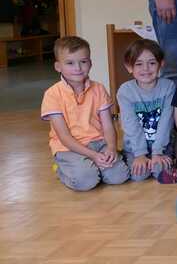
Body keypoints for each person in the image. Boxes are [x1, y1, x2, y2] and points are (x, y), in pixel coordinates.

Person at [41, 36, 129, 191]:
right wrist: (93, 156)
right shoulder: (52, 94)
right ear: (58, 66)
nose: (78, 68)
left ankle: (94, 166)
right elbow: (64, 137)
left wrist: (110, 147)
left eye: (83, 61)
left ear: (90, 63)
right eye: (70, 63)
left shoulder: (98, 89)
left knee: (119, 176)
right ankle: (63, 169)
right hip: (68, 148)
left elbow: (108, 126)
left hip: (99, 143)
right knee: (86, 181)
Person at [117, 39, 176, 182]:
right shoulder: (125, 91)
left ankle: (168, 158)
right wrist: (140, 154)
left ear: (161, 64)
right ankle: (128, 157)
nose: (146, 69)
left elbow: (166, 121)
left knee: (160, 172)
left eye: (152, 63)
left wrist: (157, 152)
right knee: (139, 175)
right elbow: (130, 125)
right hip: (134, 148)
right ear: (129, 67)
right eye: (139, 64)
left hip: (162, 146)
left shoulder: (168, 87)